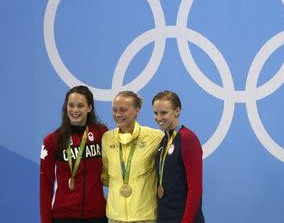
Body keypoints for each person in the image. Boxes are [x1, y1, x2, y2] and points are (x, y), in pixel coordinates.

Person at [40, 85, 108, 223]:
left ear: (89, 108)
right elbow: (45, 184)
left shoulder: (101, 133)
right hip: (64, 216)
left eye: (80, 106)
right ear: (66, 107)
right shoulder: (52, 140)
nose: (75, 110)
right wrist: (46, 220)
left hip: (97, 215)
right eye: (71, 105)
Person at [101, 90, 163, 223]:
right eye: (115, 110)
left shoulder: (155, 137)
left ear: (137, 110)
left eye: (123, 110)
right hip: (115, 217)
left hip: (145, 217)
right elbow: (106, 176)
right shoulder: (107, 138)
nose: (118, 114)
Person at [152, 90, 205, 223]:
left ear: (177, 111)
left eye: (164, 113)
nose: (159, 118)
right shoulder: (164, 140)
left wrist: (186, 221)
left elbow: (195, 188)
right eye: (155, 113)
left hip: (183, 218)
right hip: (165, 217)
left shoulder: (188, 138)